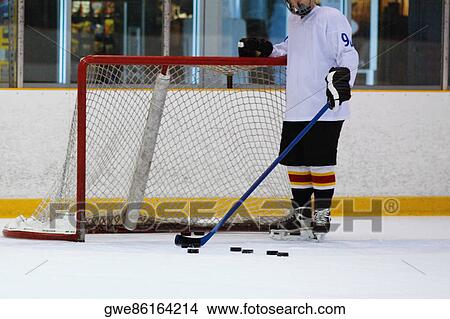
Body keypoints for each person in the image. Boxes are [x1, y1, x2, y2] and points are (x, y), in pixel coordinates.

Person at [238, 0, 359, 237]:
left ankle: (321, 214)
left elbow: (347, 53)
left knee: (320, 161)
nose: (296, 3)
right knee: (296, 162)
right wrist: (266, 49)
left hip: (324, 106)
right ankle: (300, 215)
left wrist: (343, 81)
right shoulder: (295, 21)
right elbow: (289, 49)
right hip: (296, 105)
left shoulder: (330, 16)